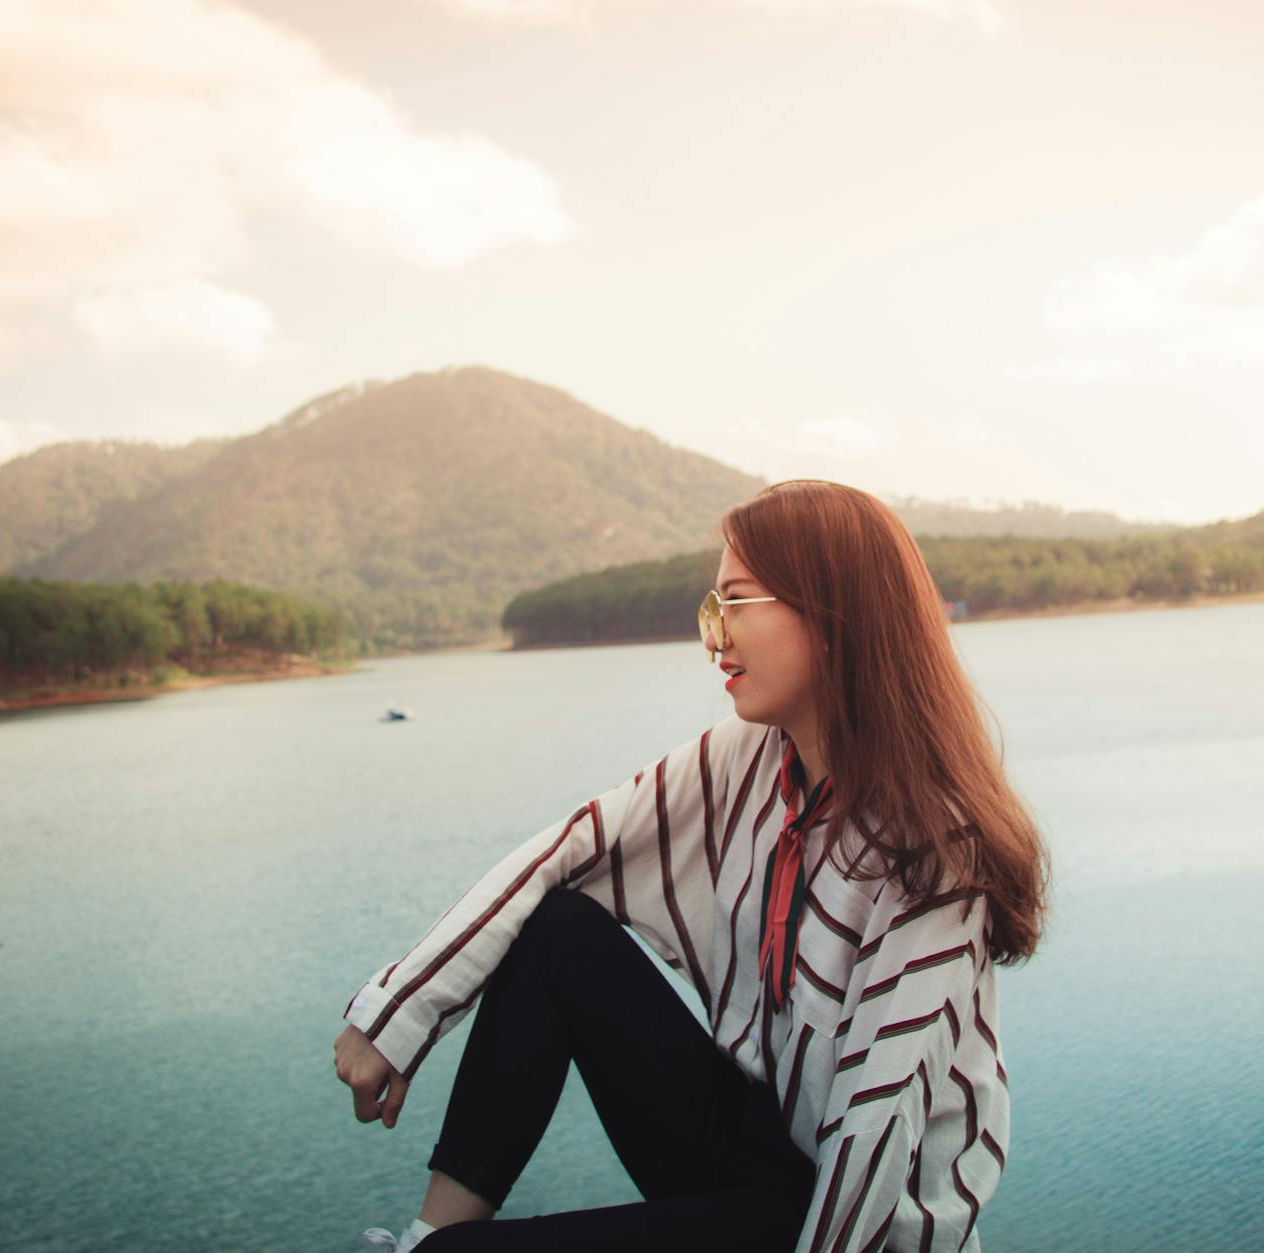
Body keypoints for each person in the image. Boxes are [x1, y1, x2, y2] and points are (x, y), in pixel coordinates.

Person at [335, 479, 1049, 1252]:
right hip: (751, 1152)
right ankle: (425, 1235)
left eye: (736, 602)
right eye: (712, 609)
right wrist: (398, 1010)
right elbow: (571, 846)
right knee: (557, 930)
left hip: (844, 1224)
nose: (715, 638)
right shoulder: (744, 760)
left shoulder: (931, 854)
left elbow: (876, 1131)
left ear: (832, 613)